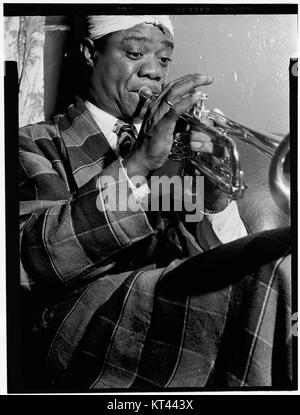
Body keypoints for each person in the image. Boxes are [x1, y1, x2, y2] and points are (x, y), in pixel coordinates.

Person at [19, 15, 291, 390]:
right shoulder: (36, 142)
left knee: (280, 253)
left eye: (164, 60)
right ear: (88, 53)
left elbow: (213, 259)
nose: (153, 72)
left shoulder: (181, 145)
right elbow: (32, 258)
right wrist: (138, 163)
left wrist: (215, 200)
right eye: (134, 52)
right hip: (86, 325)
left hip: (177, 311)